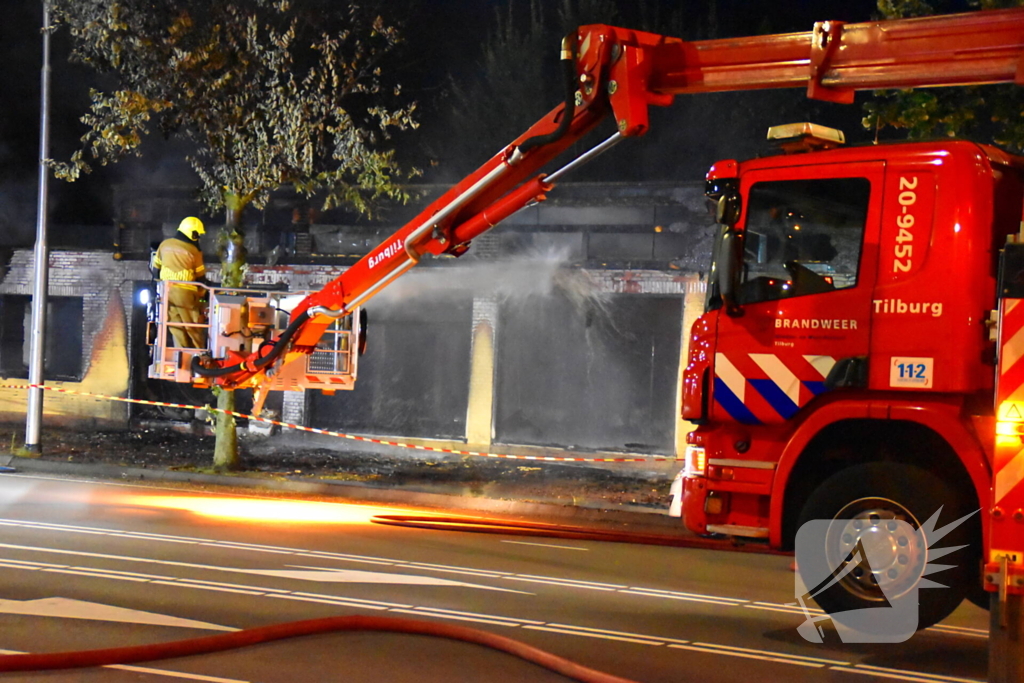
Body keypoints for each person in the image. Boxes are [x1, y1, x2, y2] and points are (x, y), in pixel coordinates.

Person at [153, 217, 208, 349]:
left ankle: (181, 352)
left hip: (166, 291)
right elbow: (200, 276)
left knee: (175, 324)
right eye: (197, 234)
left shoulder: (164, 244)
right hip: (185, 291)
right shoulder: (194, 250)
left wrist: (158, 287)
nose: (198, 237)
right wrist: (202, 294)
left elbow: (155, 270)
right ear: (192, 233)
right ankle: (200, 354)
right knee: (192, 325)